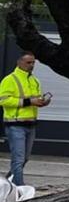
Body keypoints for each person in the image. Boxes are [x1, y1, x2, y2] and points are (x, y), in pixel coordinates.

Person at [0, 52, 51, 186]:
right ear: (19, 62)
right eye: (28, 62)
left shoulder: (35, 80)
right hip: (15, 124)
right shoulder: (10, 79)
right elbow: (3, 100)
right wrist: (30, 102)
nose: (32, 65)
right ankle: (19, 187)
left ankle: (6, 183)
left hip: (31, 124)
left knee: (24, 159)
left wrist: (42, 102)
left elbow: (35, 100)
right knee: (18, 159)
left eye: (33, 62)